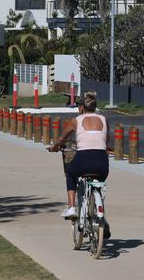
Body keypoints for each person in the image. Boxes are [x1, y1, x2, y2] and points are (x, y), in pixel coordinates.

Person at [49, 90, 110, 219]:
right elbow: (106, 139)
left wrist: (55, 146)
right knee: (98, 182)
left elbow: (62, 139)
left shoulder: (76, 120)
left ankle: (71, 207)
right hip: (102, 163)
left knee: (71, 174)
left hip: (83, 160)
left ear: (82, 108)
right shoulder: (104, 120)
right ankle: (101, 218)